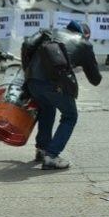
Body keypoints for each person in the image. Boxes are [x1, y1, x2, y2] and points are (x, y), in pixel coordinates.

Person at [21, 21, 102, 170]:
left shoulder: (50, 32)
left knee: (47, 108)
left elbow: (26, 45)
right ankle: (51, 156)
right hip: (53, 84)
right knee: (70, 116)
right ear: (86, 34)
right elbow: (95, 80)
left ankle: (42, 149)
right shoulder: (84, 43)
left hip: (32, 80)